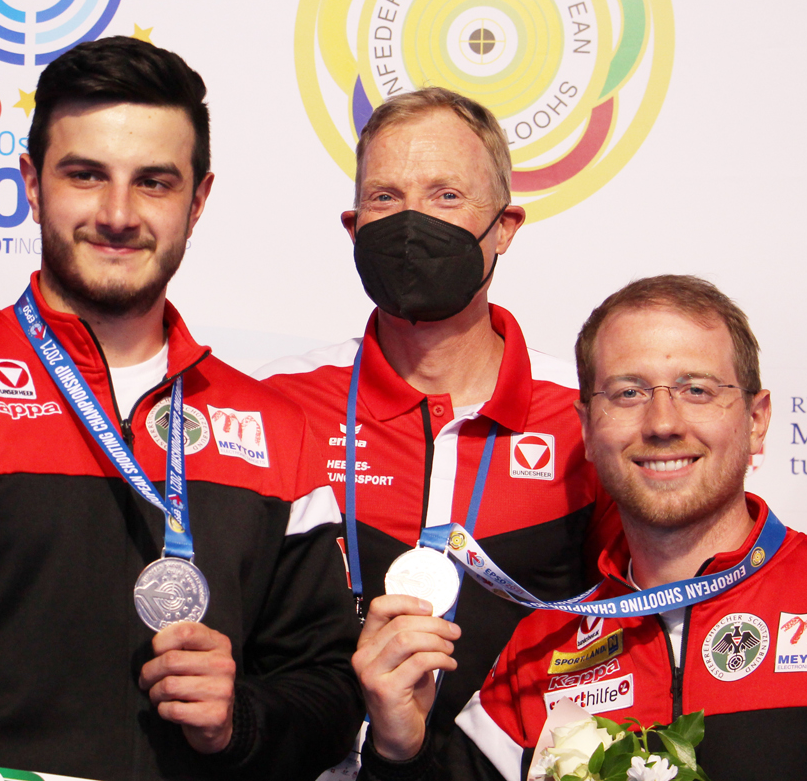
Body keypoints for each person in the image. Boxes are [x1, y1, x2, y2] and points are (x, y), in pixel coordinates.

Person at [0, 36, 364, 780]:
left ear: (199, 200)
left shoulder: (275, 430)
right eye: (86, 176)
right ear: (32, 185)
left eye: (155, 182)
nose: (119, 213)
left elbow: (327, 700)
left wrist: (240, 721)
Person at [355, 275, 807, 780]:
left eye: (697, 388)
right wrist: (399, 745)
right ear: (588, 429)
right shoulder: (540, 651)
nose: (663, 420)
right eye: (628, 391)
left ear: (757, 417)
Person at [257, 87, 613, 768]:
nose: (412, 222)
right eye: (386, 198)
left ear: (505, 225)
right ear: (353, 225)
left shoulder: (585, 422)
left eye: (446, 195)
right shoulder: (278, 409)